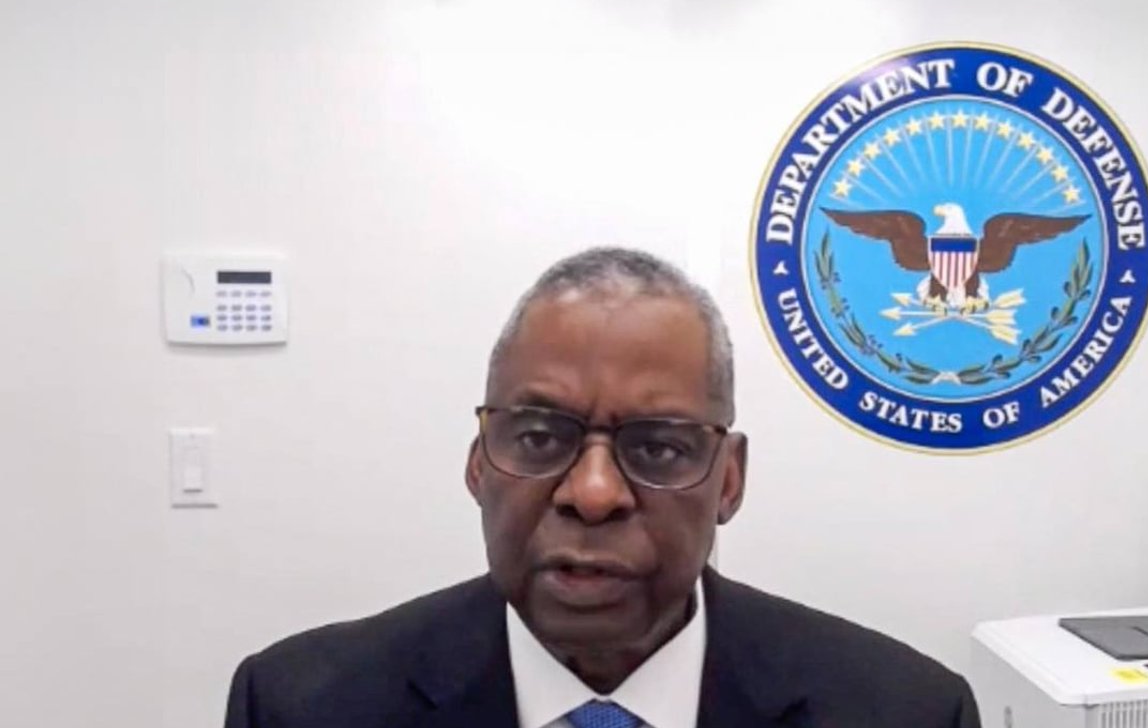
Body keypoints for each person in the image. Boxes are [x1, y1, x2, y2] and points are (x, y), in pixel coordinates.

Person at [224, 247, 980, 728]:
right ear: (478, 464)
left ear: (729, 480)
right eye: (539, 438)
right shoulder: (300, 708)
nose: (591, 493)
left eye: (658, 447)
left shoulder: (906, 713)